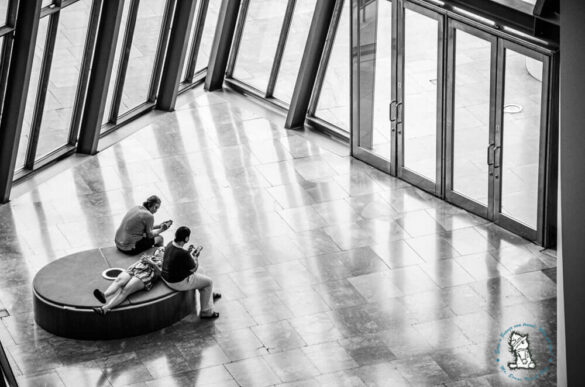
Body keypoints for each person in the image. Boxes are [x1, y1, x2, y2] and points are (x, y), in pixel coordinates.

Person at [162, 226, 220, 319]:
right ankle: (206, 312)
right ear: (186, 238)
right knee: (209, 282)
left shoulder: (170, 244)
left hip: (167, 277)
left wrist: (188, 252)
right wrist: (196, 257)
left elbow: (178, 258)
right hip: (177, 282)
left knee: (202, 270)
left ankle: (208, 295)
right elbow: (194, 269)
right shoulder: (183, 254)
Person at [92, 247, 165, 315]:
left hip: (145, 275)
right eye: (159, 249)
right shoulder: (149, 256)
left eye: (163, 250)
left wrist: (151, 263)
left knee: (126, 290)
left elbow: (160, 273)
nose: (160, 250)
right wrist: (139, 261)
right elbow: (139, 262)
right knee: (118, 281)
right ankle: (104, 295)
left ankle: (105, 308)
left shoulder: (163, 263)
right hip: (134, 269)